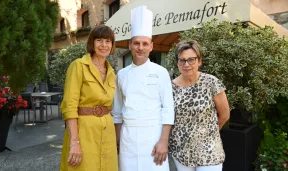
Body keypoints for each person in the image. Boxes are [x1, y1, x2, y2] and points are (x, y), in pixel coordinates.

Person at [111, 5, 175, 171]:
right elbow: (117, 112)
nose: (141, 47)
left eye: (145, 43)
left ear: (151, 46)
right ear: (130, 45)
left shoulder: (161, 72)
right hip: (128, 139)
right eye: (137, 43)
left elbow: (168, 109)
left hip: (154, 136)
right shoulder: (122, 75)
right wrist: (117, 141)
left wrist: (163, 141)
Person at [59, 25, 118, 171]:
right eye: (99, 40)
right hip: (83, 132)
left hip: (107, 131)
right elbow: (69, 106)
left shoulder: (112, 72)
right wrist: (74, 142)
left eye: (108, 41)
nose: (104, 45)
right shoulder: (78, 66)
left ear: (112, 45)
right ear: (92, 43)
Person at [168, 40, 230, 171]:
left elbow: (225, 115)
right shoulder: (170, 87)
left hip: (209, 151)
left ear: (199, 61)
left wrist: (209, 133)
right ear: (177, 63)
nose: (186, 64)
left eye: (191, 59)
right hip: (181, 152)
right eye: (182, 60)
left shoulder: (211, 82)